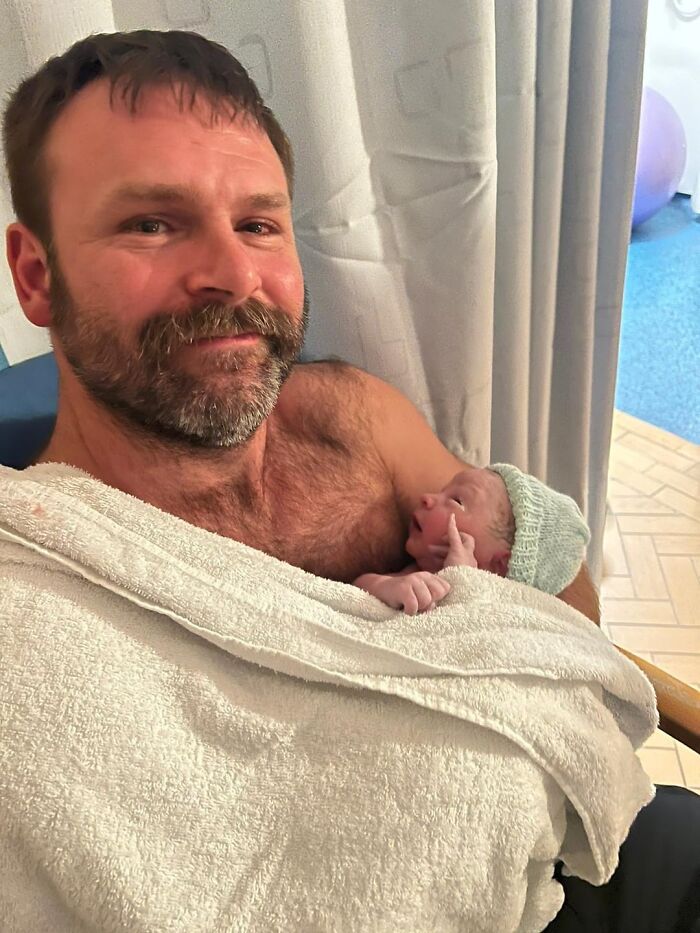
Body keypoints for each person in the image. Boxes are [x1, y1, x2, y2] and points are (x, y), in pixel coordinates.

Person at [1, 29, 698, 932]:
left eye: (257, 223)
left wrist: (470, 596)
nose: (232, 274)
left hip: (574, 852)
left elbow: (555, 622)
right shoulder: (40, 586)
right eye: (151, 223)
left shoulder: (354, 418)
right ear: (37, 274)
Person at [354, 464, 590, 615]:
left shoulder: (494, 612)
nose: (427, 498)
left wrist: (463, 583)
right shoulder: (413, 573)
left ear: (499, 564)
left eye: (456, 501)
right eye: (442, 490)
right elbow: (353, 591)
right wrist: (387, 587)